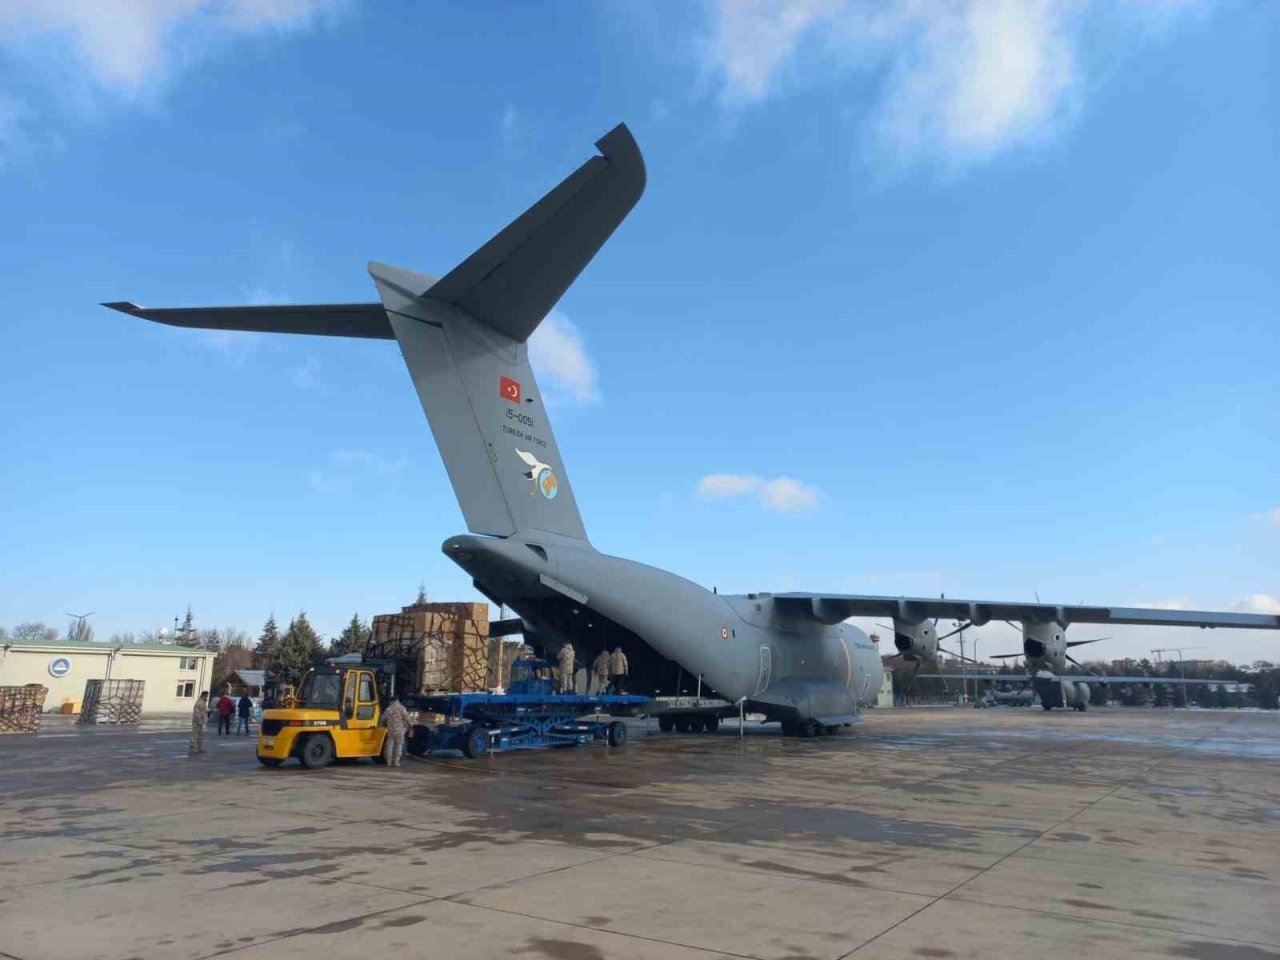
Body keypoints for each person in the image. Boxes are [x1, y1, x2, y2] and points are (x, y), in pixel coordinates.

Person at [381, 697, 411, 767]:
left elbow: (383, 719)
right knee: (399, 746)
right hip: (400, 731)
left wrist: (384, 724)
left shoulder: (388, 709)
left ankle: (389, 761)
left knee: (390, 746)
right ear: (397, 700)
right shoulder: (402, 708)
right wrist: (410, 726)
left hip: (391, 731)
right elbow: (407, 718)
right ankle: (396, 762)